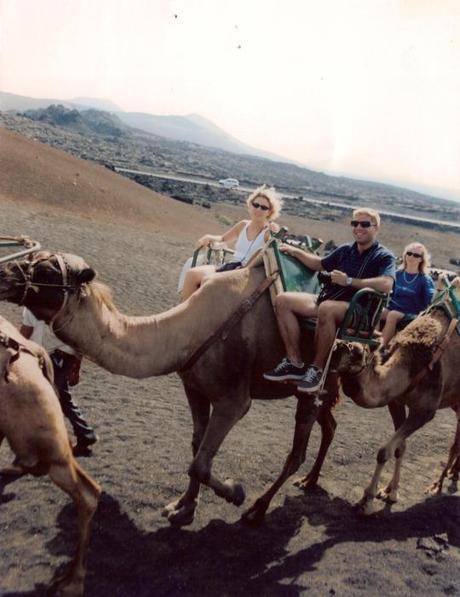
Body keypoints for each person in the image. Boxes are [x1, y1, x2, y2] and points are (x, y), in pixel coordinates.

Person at [264, 208, 395, 394]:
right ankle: (294, 362)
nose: (358, 227)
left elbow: (387, 284)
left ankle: (316, 370)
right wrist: (296, 252)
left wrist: (349, 281)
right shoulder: (345, 250)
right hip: (329, 300)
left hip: (358, 310)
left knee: (327, 308)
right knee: (283, 300)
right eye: (355, 223)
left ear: (376, 228)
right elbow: (319, 264)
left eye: (365, 224)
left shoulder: (383, 256)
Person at [181, 185, 282, 300]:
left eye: (264, 208)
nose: (258, 209)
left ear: (269, 212)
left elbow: (276, 247)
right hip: (230, 267)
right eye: (256, 205)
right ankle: (185, 312)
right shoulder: (243, 225)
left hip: (247, 273)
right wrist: (208, 237)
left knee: (208, 281)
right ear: (250, 205)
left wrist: (275, 232)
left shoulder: (268, 232)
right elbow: (223, 238)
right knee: (192, 274)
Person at [21, 307, 98, 456]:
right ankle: (85, 435)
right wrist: (76, 368)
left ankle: (50, 442)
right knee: (61, 398)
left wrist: (76, 369)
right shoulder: (63, 305)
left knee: (49, 399)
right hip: (56, 358)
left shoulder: (35, 306)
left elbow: (25, 334)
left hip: (54, 359)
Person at [380, 242, 435, 347]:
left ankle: (381, 347)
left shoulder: (424, 280)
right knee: (377, 312)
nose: (411, 257)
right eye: (409, 253)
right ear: (405, 255)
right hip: (393, 307)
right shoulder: (397, 274)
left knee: (393, 315)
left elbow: (428, 303)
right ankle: (369, 344)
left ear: (421, 259)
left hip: (412, 313)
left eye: (416, 255)